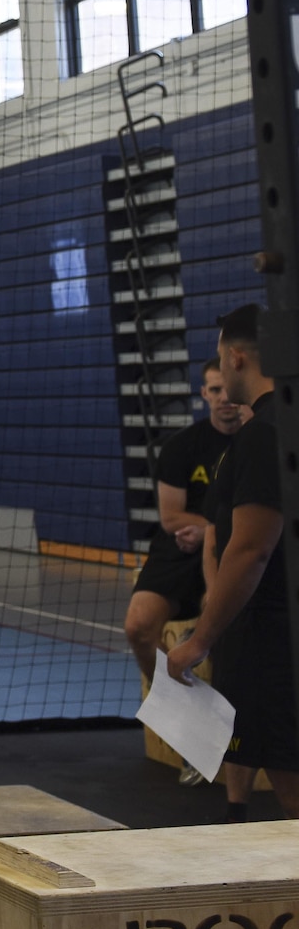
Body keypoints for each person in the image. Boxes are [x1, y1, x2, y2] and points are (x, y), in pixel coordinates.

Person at [169, 303, 299, 819]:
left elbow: (251, 546)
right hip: (272, 625)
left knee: (289, 774)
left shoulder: (264, 434)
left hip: (273, 632)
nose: (221, 374)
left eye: (222, 362)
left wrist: (201, 638)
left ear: (237, 357)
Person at [125, 359, 245, 684]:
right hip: (179, 550)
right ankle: (174, 702)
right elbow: (170, 517)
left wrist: (210, 531)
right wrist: (203, 529)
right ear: (204, 393)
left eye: (227, 389)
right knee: (138, 626)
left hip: (231, 546)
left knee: (224, 621)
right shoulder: (181, 447)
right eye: (215, 390)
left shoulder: (255, 446)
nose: (223, 398)